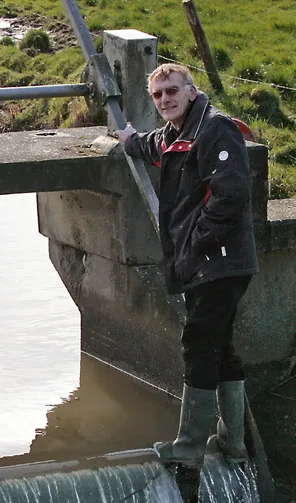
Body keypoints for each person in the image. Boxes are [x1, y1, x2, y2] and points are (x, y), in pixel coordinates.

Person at [115, 64, 259, 468]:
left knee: (198, 345)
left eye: (172, 91)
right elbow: (153, 145)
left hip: (219, 261)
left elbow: (231, 195)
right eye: (158, 94)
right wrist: (128, 140)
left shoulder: (215, 129)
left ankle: (190, 447)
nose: (165, 99)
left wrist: (195, 246)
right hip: (212, 262)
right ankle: (233, 442)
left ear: (191, 92)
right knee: (221, 347)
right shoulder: (177, 133)